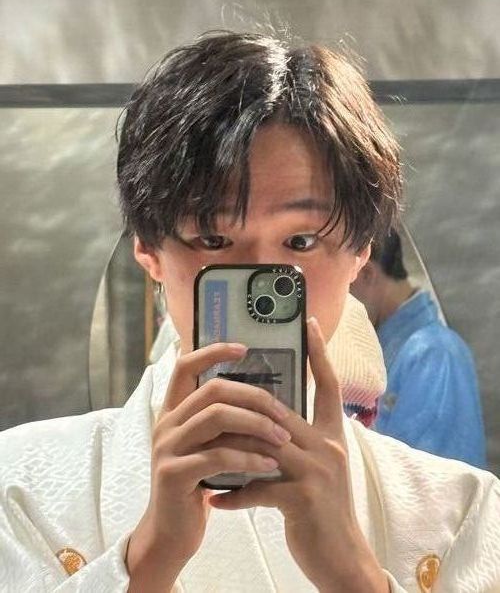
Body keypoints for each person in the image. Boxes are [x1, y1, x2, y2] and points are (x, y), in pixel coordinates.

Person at [1, 31, 499, 592]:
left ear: (361, 252)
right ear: (148, 250)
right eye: (213, 240)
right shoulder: (20, 485)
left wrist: (355, 578)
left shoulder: (462, 512)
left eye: (301, 241)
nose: (261, 277)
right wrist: (147, 561)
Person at [350, 229, 487, 467]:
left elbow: (440, 477)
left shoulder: (436, 353)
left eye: (343, 288)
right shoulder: (384, 351)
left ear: (366, 273)